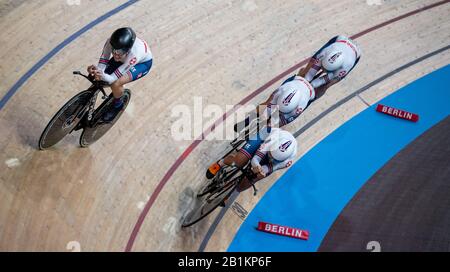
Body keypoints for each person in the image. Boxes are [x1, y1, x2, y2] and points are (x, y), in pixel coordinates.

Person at [87, 27, 153, 122]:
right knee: (97, 80)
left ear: (128, 49)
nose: (116, 54)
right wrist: (98, 71)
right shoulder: (111, 42)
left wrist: (102, 74)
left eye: (120, 52)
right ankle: (81, 104)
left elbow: (112, 79)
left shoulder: (135, 54)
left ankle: (118, 105)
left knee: (116, 83)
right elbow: (104, 59)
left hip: (141, 64)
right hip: (125, 59)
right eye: (114, 50)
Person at [206, 127, 297, 193]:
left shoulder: (286, 162)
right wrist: (257, 166)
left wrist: (259, 173)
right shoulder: (272, 139)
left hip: (272, 161)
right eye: (270, 155)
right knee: (238, 161)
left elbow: (266, 169)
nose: (271, 157)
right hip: (263, 137)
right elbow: (255, 159)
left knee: (250, 180)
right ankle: (220, 163)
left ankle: (230, 190)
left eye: (274, 158)